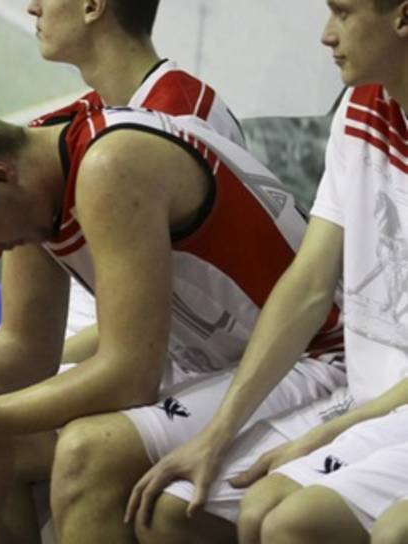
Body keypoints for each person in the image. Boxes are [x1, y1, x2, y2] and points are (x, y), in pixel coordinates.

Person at [0, 85, 347, 544]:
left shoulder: (109, 166)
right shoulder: (32, 176)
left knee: (87, 452)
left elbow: (129, 378)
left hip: (305, 354)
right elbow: (22, 350)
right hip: (215, 362)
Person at [0, 1, 252, 541]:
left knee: (22, 448)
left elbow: (133, 358)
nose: (32, 6)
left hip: (227, 365)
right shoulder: (51, 141)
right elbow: (22, 344)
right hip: (160, 359)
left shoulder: (174, 119)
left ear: (92, 6)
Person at [125, 1, 408, 543]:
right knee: (169, 511)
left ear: (403, 18)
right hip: (365, 393)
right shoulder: (361, 106)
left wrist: (338, 429)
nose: (326, 35)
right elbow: (308, 284)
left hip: (385, 404)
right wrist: (218, 432)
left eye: (343, 13)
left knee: (287, 524)